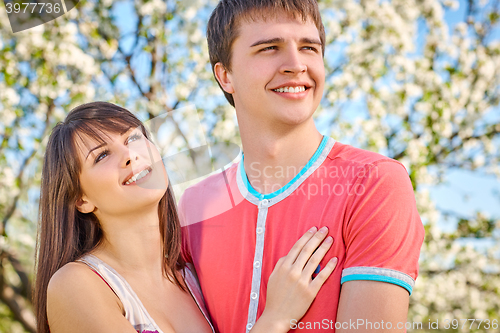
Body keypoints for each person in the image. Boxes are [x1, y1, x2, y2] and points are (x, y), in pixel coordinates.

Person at [178, 0, 426, 332]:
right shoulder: (194, 206)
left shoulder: (374, 183)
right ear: (225, 75)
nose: (296, 64)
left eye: (309, 47)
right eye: (269, 48)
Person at [33, 102, 338, 333]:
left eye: (133, 138)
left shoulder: (192, 274)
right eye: (101, 155)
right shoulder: (74, 286)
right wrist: (275, 318)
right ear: (81, 199)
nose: (129, 155)